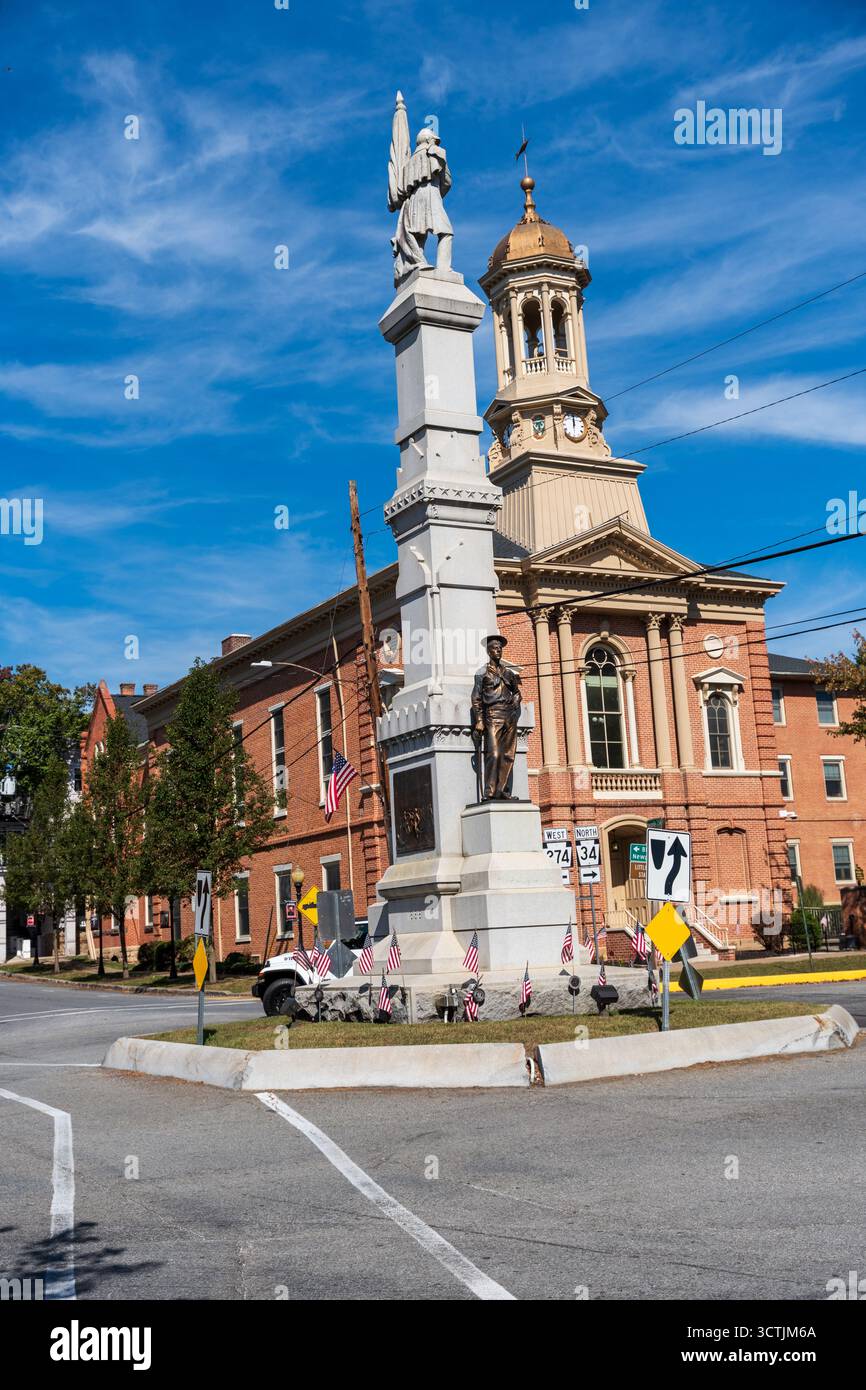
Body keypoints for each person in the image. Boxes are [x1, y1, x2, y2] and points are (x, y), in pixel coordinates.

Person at [471, 634, 522, 801]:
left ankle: (502, 791)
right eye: (494, 648)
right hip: (493, 715)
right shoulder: (482, 673)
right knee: (493, 753)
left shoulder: (509, 673)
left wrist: (515, 702)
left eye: (500, 648)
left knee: (508, 755)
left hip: (510, 716)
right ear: (488, 651)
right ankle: (490, 792)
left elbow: (517, 693)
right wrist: (479, 721)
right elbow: (476, 698)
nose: (498, 650)